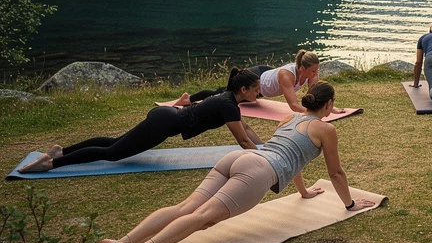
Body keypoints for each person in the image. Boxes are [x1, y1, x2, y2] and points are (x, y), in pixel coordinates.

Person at [92, 81, 377, 243]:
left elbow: (294, 159)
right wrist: (349, 203)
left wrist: (303, 192)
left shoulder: (289, 118)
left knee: (185, 208)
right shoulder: (325, 129)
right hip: (259, 170)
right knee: (203, 218)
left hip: (237, 160)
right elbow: (336, 173)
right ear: (328, 104)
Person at [19, 68, 264, 174]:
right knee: (114, 153)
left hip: (165, 117)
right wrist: (263, 159)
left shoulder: (225, 95)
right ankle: (53, 164)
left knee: (114, 143)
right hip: (165, 123)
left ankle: (61, 150)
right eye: (256, 90)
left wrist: (264, 146)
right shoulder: (228, 105)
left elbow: (245, 127)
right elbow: (242, 139)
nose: (258, 94)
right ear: (243, 89)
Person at [176, 50, 321, 114]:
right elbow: (294, 105)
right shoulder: (287, 75)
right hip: (257, 76)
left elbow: (315, 96)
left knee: (242, 101)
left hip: (264, 84)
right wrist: (313, 113)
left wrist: (329, 109)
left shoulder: (311, 73)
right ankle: (188, 99)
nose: (316, 74)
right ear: (302, 68)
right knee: (224, 94)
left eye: (317, 70)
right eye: (313, 71)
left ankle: (189, 99)